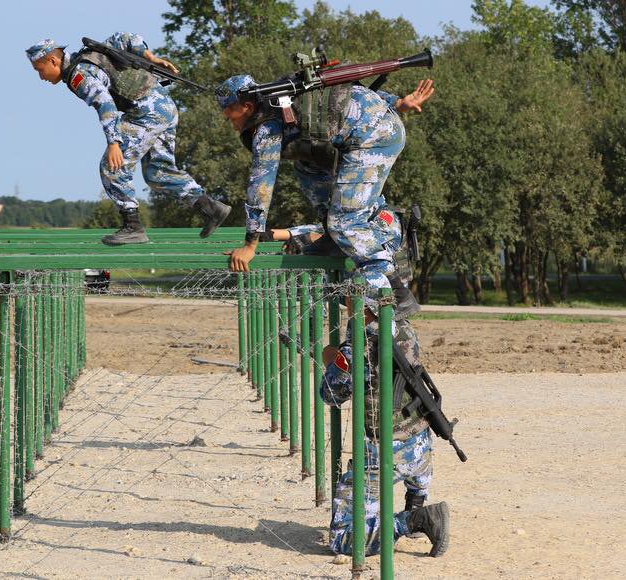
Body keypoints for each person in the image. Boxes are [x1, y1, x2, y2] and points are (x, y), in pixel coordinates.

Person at [217, 72, 433, 293]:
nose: (233, 126)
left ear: (247, 106)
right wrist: (396, 102)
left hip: (373, 138)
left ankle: (394, 286)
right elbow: (347, 92)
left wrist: (250, 245)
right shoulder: (289, 93)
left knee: (346, 222)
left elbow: (261, 186)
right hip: (373, 127)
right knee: (306, 167)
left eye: (231, 117)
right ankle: (332, 236)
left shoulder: (267, 127)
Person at [26, 34, 230, 245]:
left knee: (111, 166)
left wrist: (114, 143)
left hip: (147, 112)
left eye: (39, 70)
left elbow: (105, 104)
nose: (41, 77)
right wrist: (152, 57)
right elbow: (124, 38)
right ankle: (211, 208)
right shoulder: (91, 53)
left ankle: (132, 226)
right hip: (164, 106)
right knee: (157, 172)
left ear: (52, 60)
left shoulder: (79, 76)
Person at [320, 273, 449, 558]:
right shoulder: (403, 328)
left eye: (351, 301)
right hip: (419, 443)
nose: (346, 306)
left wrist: (329, 358)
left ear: (364, 306)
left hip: (382, 451)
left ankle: (416, 520)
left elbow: (331, 395)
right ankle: (415, 503)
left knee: (342, 540)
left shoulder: (360, 345)